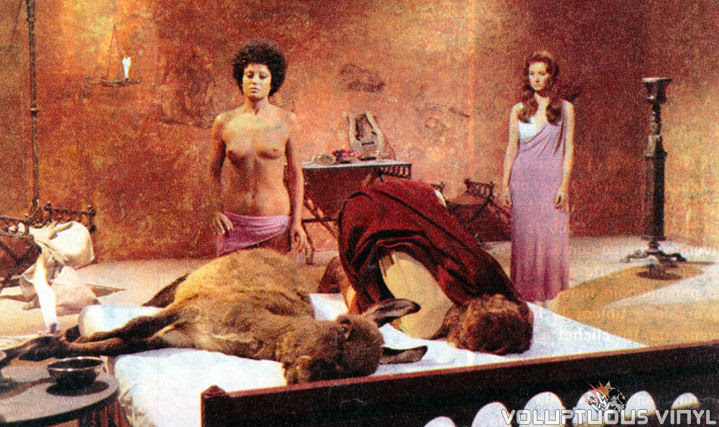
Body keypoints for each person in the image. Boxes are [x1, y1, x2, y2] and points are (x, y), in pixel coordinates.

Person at [210, 40, 307, 256]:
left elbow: (295, 174)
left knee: (273, 276)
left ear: (272, 82)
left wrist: (297, 222)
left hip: (275, 224)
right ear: (241, 79)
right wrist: (215, 211)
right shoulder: (224, 122)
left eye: (262, 76)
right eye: (249, 75)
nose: (255, 81)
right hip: (233, 223)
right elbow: (212, 172)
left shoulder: (287, 121)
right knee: (233, 278)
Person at [499, 50, 575, 308]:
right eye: (532, 74)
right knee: (525, 241)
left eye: (542, 73)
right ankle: (527, 302)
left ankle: (551, 303)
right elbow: (511, 149)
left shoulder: (565, 109)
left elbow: (569, 149)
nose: (536, 78)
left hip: (551, 182)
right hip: (523, 182)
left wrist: (564, 185)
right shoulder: (518, 110)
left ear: (551, 76)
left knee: (551, 240)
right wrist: (505, 184)